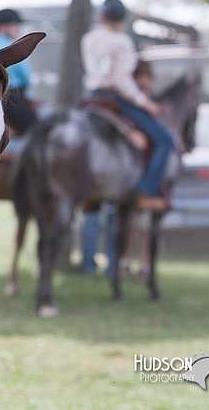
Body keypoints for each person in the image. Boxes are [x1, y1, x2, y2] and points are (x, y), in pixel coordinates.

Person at [81, 0, 173, 212]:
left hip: (93, 95)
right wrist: (145, 102)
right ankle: (147, 191)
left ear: (102, 16)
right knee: (164, 140)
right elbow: (121, 80)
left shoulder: (88, 38)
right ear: (122, 18)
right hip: (115, 98)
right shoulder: (122, 41)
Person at [79, 59, 156, 275]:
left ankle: (98, 265)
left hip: (100, 180)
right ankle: (103, 265)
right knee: (105, 219)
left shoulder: (98, 103)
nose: (146, 83)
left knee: (98, 218)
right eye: (144, 77)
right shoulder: (123, 105)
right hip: (115, 180)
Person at [0, 8, 38, 134]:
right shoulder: (14, 47)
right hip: (14, 97)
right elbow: (26, 75)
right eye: (14, 24)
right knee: (37, 131)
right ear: (2, 28)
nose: (17, 28)